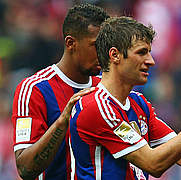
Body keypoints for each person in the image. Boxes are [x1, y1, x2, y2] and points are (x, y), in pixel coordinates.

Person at [69, 16, 181, 180]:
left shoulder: (139, 104)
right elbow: (154, 164)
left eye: (149, 52)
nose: (151, 61)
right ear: (115, 55)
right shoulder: (95, 107)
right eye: (142, 52)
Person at [11, 4, 110, 180]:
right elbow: (25, 168)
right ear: (71, 43)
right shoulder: (34, 89)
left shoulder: (105, 87)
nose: (103, 53)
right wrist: (63, 121)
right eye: (95, 45)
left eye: (106, 45)